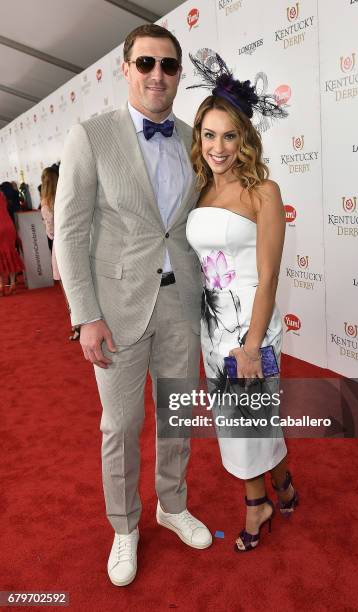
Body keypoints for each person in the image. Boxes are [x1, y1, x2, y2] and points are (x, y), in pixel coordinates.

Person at [54, 24, 211, 587]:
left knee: (176, 416)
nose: (157, 76)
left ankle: (172, 504)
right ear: (125, 69)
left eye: (168, 66)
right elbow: (69, 233)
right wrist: (84, 315)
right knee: (120, 424)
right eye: (146, 64)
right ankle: (124, 527)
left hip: (180, 302)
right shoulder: (91, 136)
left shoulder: (195, 138)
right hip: (115, 306)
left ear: (177, 75)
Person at [186, 54, 299, 552]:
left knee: (244, 419)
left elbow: (269, 276)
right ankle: (284, 481)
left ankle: (258, 505)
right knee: (244, 418)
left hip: (254, 326)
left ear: (245, 140)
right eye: (209, 135)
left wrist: (252, 345)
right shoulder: (199, 193)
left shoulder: (264, 193)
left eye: (228, 136)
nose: (217, 147)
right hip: (213, 325)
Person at [40, 167, 80, 341]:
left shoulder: (46, 204)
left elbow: (50, 233)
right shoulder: (69, 195)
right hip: (79, 243)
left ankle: (77, 327)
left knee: (68, 291)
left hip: (61, 246)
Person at [0, 191, 24, 296]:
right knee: (11, 253)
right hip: (9, 225)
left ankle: (1, 285)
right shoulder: (1, 193)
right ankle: (13, 283)